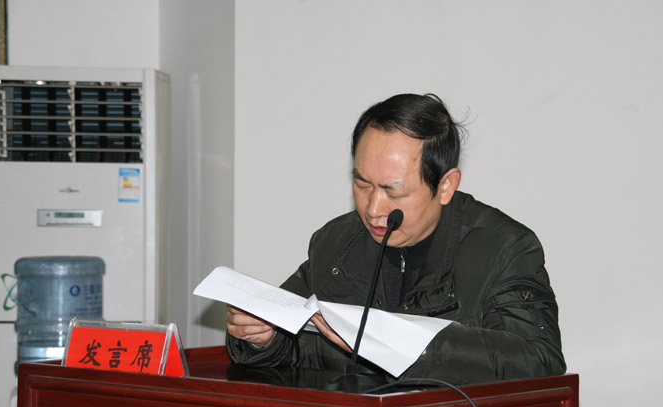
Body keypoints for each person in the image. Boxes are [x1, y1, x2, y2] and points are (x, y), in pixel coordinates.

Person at [226, 93, 565, 384]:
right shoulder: (335, 243)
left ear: (446, 186)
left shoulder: (502, 248)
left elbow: (539, 361)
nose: (373, 209)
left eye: (394, 191)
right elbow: (298, 346)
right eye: (362, 185)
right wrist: (263, 338)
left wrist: (404, 344)